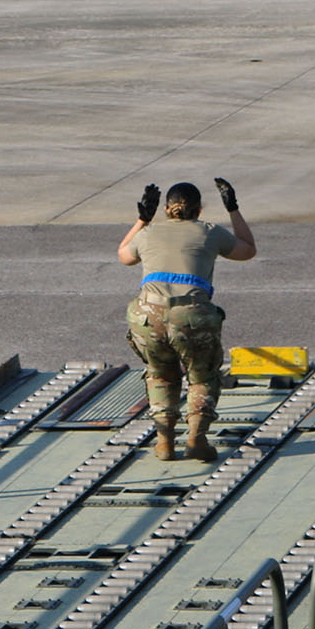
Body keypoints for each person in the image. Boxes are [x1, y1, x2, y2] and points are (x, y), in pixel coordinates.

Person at [117, 177, 256, 463]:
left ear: (166, 209)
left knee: (161, 374)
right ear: (199, 211)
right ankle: (196, 440)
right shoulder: (209, 232)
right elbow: (247, 250)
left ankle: (164, 442)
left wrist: (142, 220)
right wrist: (233, 209)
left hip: (147, 316)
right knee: (202, 376)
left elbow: (124, 256)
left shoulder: (148, 232)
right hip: (191, 315)